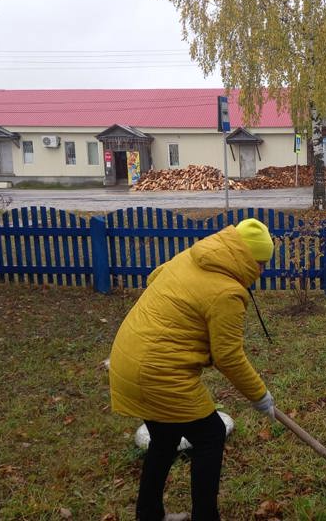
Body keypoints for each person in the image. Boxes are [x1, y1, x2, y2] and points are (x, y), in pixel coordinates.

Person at [108, 218, 277, 521]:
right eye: (261, 263)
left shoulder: (194, 256)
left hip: (128, 355)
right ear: (245, 257)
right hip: (158, 372)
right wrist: (260, 395)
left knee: (164, 438)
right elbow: (229, 357)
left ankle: (149, 514)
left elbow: (154, 278)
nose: (262, 271)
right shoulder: (227, 292)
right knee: (211, 435)